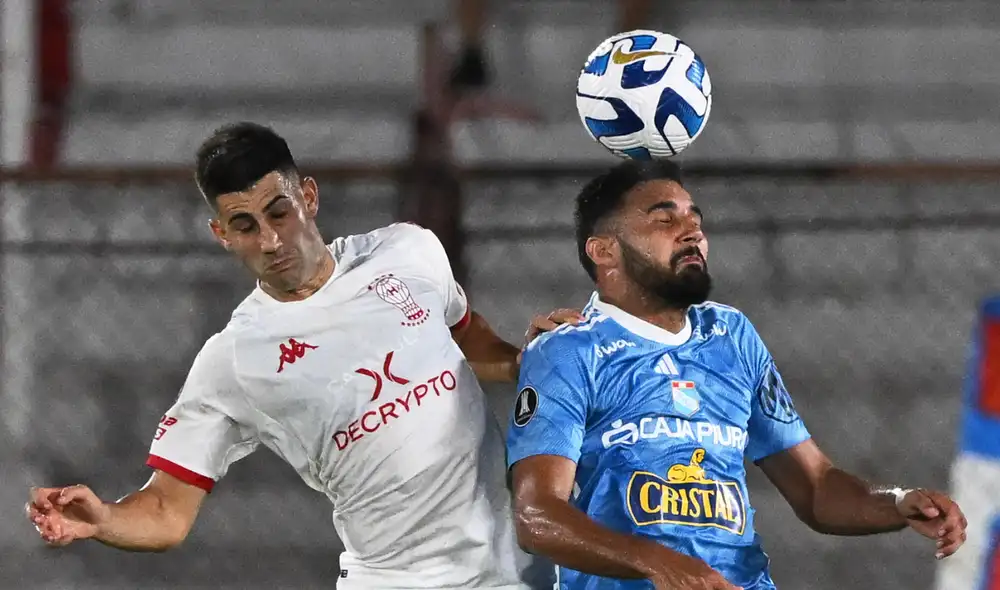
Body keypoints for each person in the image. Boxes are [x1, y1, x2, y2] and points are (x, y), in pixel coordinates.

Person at [25, 122, 569, 589]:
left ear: (307, 197)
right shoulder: (235, 359)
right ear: (220, 234)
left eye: (278, 212)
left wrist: (539, 357)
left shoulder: (408, 251)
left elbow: (469, 342)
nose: (269, 240)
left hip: (514, 567)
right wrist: (104, 520)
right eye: (244, 225)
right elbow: (167, 512)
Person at [504, 159, 969, 589]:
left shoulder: (731, 335)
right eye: (665, 220)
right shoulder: (568, 351)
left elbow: (815, 487)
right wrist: (658, 563)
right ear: (604, 250)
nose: (692, 233)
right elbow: (537, 515)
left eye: (696, 221)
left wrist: (898, 502)